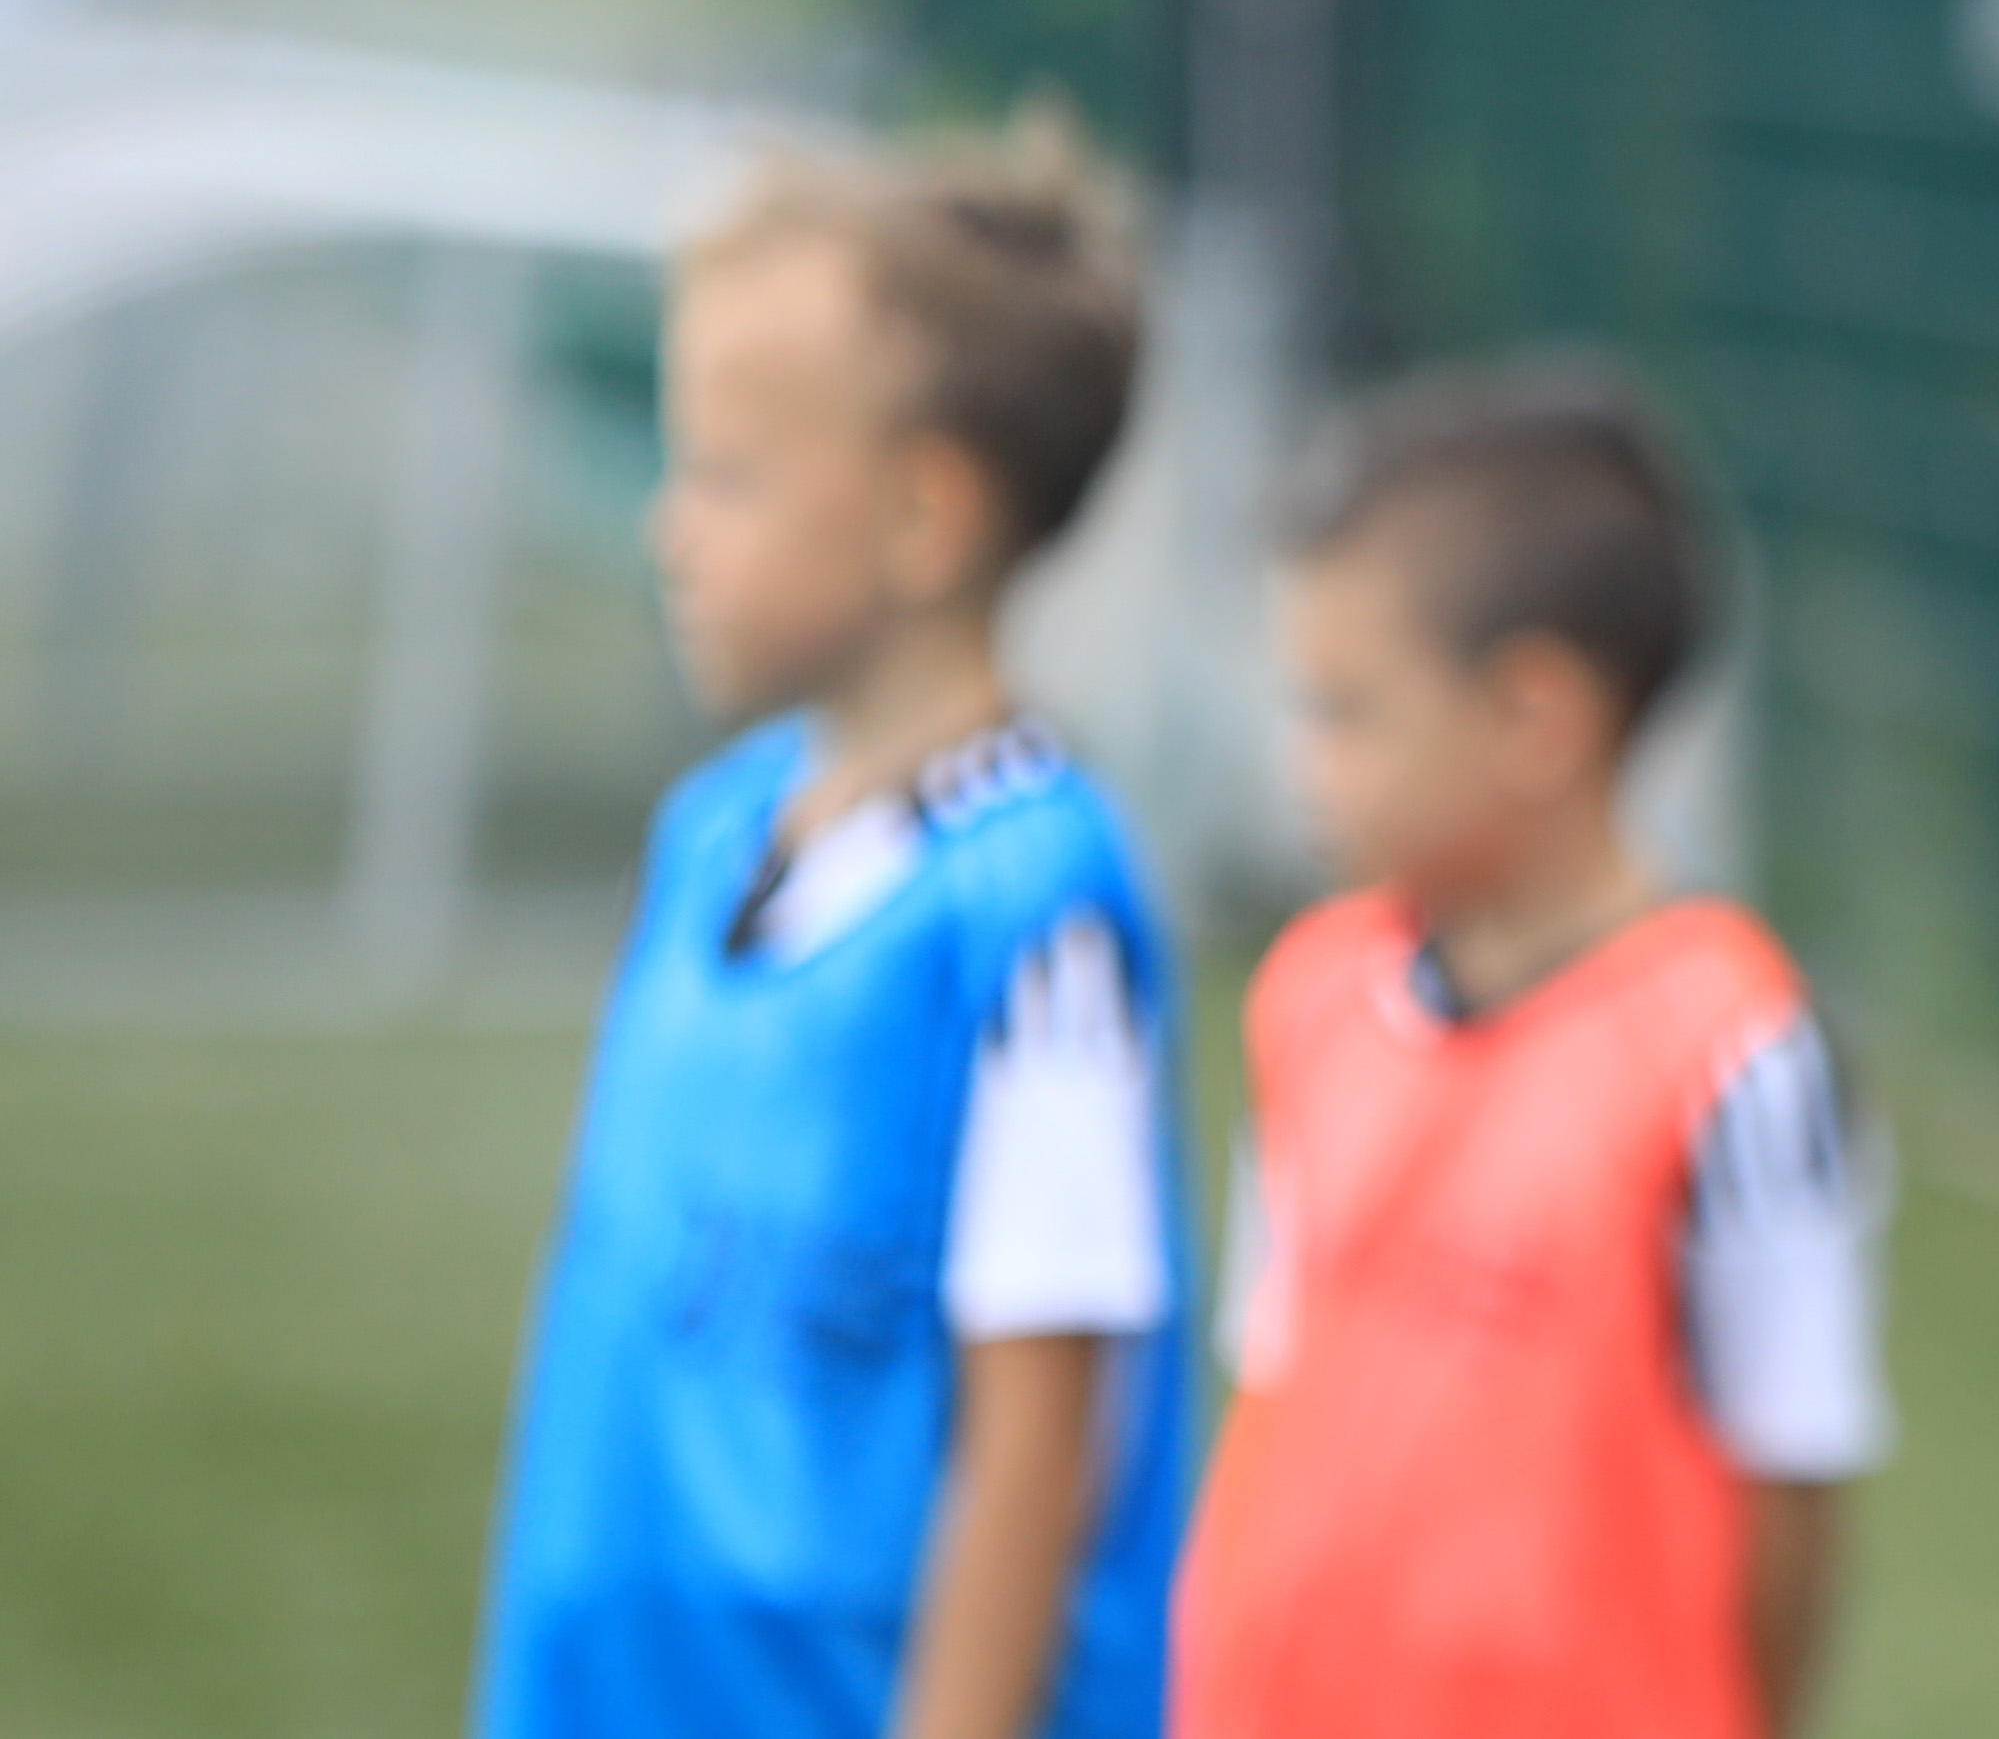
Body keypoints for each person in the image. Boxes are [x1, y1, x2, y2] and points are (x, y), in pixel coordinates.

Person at [477, 117, 1190, 1739]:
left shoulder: (1034, 914)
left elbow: (1039, 1446)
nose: (669, 528)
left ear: (923, 518)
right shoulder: (713, 835)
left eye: (724, 475)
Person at [1172, 364, 1887, 1739]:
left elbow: (1790, 1488)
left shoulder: (1731, 1052)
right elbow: (1272, 1390)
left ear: (1533, 722)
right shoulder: (1310, 995)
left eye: (1345, 711)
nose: (1302, 764)